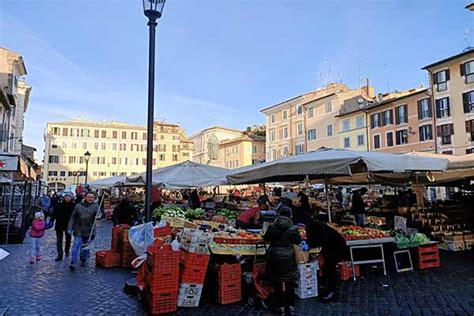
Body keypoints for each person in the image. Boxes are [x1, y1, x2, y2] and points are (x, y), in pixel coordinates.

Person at [263, 206, 301, 315]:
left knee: (277, 282)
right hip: (289, 256)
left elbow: (266, 238)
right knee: (289, 282)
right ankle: (291, 305)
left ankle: (280, 306)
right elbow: (298, 241)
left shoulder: (272, 226)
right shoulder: (294, 228)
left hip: (275, 255)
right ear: (290, 215)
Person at [306, 220, 347, 302]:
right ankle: (330, 289)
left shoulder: (317, 228)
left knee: (330, 267)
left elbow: (321, 241)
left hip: (336, 248)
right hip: (332, 247)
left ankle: (332, 291)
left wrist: (310, 244)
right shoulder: (315, 226)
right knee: (327, 268)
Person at [67, 192, 99, 271]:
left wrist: (99, 216)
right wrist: (69, 227)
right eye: (89, 197)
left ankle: (83, 259)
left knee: (85, 246)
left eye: (92, 197)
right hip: (79, 229)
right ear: (85, 197)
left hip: (89, 230)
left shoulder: (95, 206)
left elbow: (100, 214)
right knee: (76, 245)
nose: (90, 199)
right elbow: (73, 217)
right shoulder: (78, 206)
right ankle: (73, 262)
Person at [51, 191, 75, 261]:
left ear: (71, 198)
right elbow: (54, 214)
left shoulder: (74, 206)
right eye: (66, 196)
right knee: (59, 240)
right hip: (59, 225)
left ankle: (67, 251)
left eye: (69, 197)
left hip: (69, 225)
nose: (67, 198)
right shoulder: (59, 205)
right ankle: (60, 254)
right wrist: (51, 221)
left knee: (68, 239)